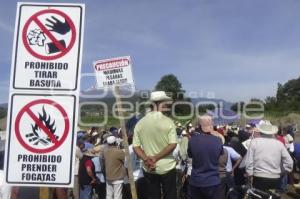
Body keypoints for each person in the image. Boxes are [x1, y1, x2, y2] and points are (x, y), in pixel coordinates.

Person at [133, 91, 177, 199]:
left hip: (149, 167)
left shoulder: (140, 123)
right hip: (167, 166)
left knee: (153, 195)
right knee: (170, 195)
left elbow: (136, 147)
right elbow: (172, 144)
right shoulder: (168, 122)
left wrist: (146, 159)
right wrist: (156, 158)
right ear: (160, 103)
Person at [245, 120, 293, 192]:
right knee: (271, 195)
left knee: (259, 195)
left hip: (258, 176)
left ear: (261, 131)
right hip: (275, 177)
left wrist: (250, 174)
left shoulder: (254, 142)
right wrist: (282, 172)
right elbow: (289, 162)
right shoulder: (279, 144)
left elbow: (249, 161)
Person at [187, 115, 223, 199]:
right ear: (212, 126)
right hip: (213, 181)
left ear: (199, 126)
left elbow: (190, 155)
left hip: (196, 180)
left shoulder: (192, 140)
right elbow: (220, 155)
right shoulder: (218, 140)